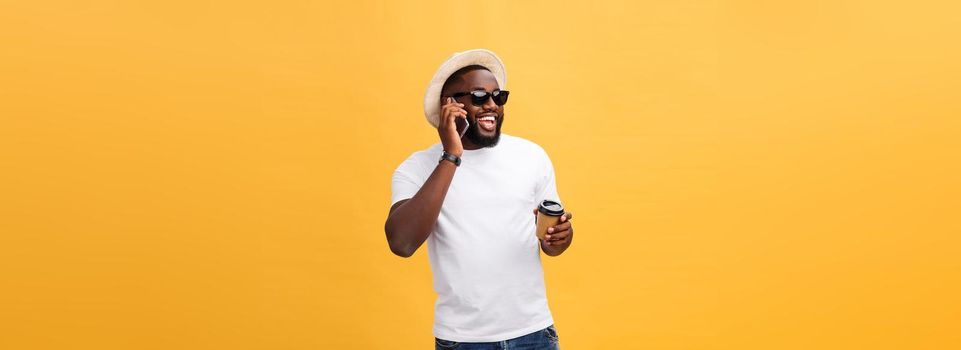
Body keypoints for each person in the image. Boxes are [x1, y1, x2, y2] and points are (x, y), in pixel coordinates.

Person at [385, 49, 574, 349]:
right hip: (463, 341)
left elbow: (551, 243)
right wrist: (451, 155)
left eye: (498, 97)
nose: (492, 105)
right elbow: (402, 243)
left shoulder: (531, 156)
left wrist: (560, 237)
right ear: (449, 104)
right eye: (478, 96)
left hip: (534, 334)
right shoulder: (418, 167)